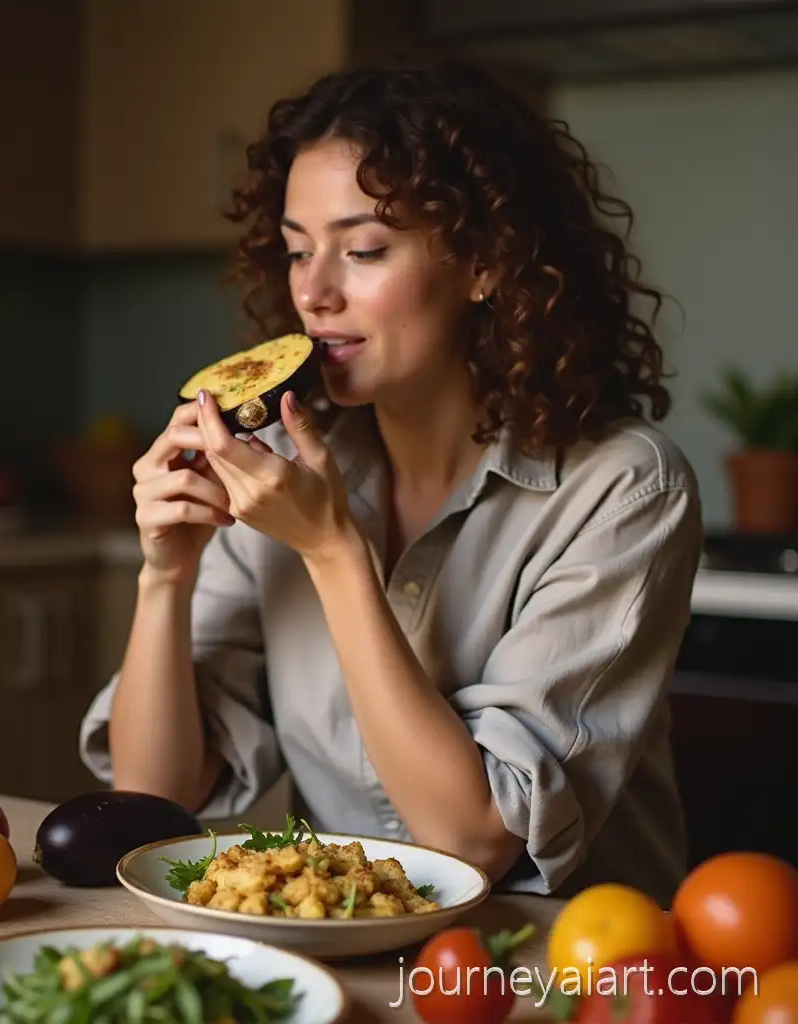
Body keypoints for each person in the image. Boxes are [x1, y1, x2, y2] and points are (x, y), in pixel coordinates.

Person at [79, 60, 703, 907]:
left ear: (484, 262)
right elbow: (155, 800)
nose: (312, 291)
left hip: (569, 971)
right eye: (299, 250)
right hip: (351, 955)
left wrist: (334, 552)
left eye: (363, 249)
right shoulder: (284, 465)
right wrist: (168, 573)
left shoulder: (622, 490)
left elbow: (476, 836)